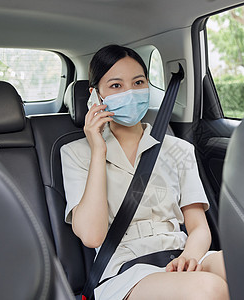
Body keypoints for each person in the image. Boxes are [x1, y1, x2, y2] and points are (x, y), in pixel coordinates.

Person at [61, 45, 229, 300]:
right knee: (209, 289)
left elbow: (198, 228)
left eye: (138, 82)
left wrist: (188, 259)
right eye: (116, 86)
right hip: (127, 271)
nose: (130, 92)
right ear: (96, 95)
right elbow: (92, 236)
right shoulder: (75, 153)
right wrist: (98, 150)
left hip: (181, 254)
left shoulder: (179, 149)